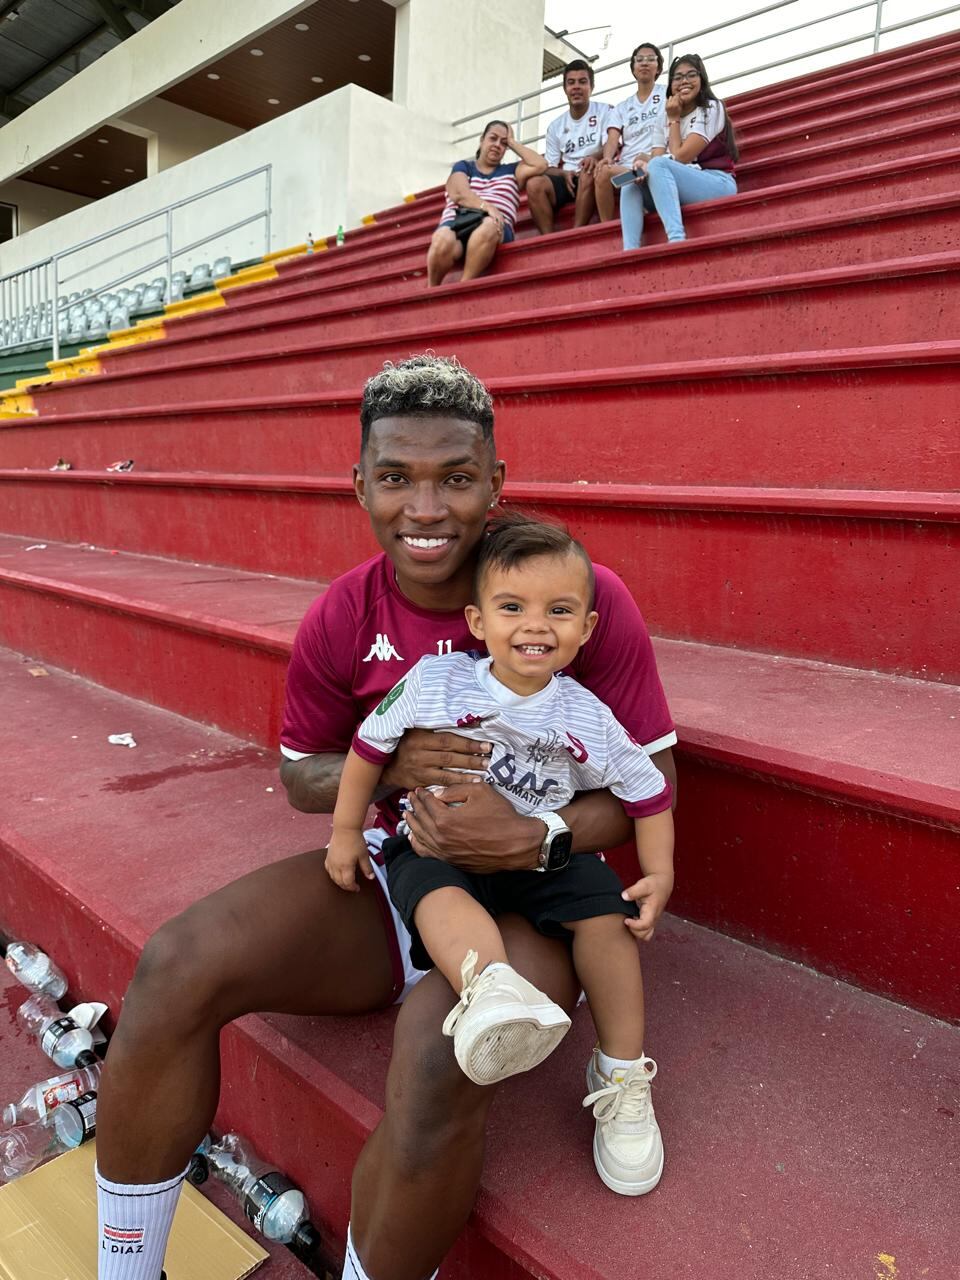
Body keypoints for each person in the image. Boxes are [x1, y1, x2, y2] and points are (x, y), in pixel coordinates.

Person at [94, 354, 678, 1280]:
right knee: (175, 966)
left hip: (536, 898)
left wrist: (541, 835)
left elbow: (650, 776)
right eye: (397, 477)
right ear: (360, 483)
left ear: (496, 482)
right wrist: (396, 764)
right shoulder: (342, 614)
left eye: (455, 478)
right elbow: (301, 775)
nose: (427, 508)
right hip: (401, 870)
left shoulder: (577, 597)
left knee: (445, 1054)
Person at [326, 513, 675, 1196]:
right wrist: (344, 831)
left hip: (540, 852)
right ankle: (490, 992)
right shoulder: (436, 683)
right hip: (445, 842)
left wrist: (660, 870)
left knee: (608, 923)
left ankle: (622, 1072)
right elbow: (368, 749)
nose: (535, 625)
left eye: (560, 610)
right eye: (513, 607)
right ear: (478, 622)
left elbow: (648, 790)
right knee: (430, 886)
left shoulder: (588, 716)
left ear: (586, 630)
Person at [621, 53, 739, 250]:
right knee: (630, 181)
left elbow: (681, 157)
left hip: (717, 182)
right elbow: (659, 161)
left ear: (702, 80)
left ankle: (676, 240)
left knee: (657, 164)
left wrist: (674, 119)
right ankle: (629, 251)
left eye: (691, 75)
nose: (684, 81)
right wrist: (644, 165)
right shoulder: (662, 117)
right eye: (677, 77)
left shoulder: (711, 108)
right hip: (679, 183)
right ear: (670, 85)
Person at [426, 119, 546, 286]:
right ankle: (432, 288)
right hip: (459, 221)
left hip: (494, 229)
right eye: (493, 138)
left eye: (503, 143)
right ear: (482, 140)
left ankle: (464, 285)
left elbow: (541, 164)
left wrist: (512, 142)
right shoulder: (464, 167)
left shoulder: (512, 171)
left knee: (490, 224)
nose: (498, 145)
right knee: (442, 238)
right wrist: (488, 207)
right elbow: (459, 193)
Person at [525, 60, 613, 235]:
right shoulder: (555, 126)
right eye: (571, 82)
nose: (576, 87)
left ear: (592, 86)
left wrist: (593, 158)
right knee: (534, 184)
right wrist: (563, 173)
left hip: (593, 173)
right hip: (569, 178)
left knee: (588, 172)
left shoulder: (606, 111)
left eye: (582, 81)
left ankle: (575, 234)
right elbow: (548, 166)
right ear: (565, 88)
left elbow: (611, 145)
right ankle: (548, 239)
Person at [594, 42, 667, 226]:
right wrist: (607, 158)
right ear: (633, 69)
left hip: (654, 164)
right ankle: (607, 227)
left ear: (658, 68)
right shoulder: (622, 107)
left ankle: (642, 199)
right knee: (602, 171)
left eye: (651, 59)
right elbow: (612, 138)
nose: (644, 63)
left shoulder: (668, 93)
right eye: (639, 60)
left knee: (639, 175)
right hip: (628, 171)